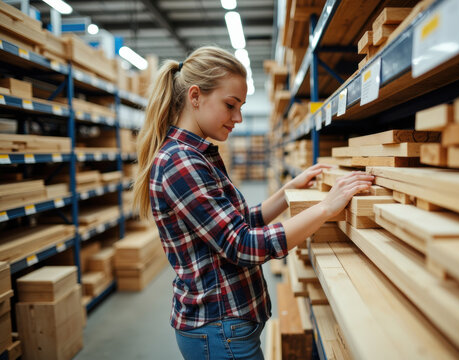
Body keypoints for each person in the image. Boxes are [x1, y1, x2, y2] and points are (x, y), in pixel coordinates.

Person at [133, 46, 374, 360]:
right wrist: (327, 207)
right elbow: (242, 245)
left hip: (225, 326)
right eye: (230, 105)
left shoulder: (197, 155)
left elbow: (238, 220)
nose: (238, 118)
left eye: (241, 106)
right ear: (195, 96)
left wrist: (287, 191)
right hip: (218, 330)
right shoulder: (181, 162)